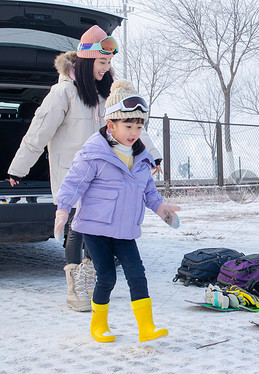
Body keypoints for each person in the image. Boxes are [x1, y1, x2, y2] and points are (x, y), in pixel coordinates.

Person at [6, 25, 162, 312]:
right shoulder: (62, 93)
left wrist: (153, 157)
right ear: (87, 61)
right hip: (74, 174)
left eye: (109, 63)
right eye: (102, 62)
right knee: (77, 228)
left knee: (98, 230)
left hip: (105, 176)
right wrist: (19, 169)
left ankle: (93, 279)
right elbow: (38, 132)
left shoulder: (106, 96)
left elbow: (130, 124)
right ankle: (75, 284)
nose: (106, 68)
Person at [54, 79, 179, 343]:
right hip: (94, 229)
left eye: (139, 126)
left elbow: (148, 191)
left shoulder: (142, 159)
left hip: (124, 229)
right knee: (107, 276)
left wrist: (161, 207)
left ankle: (146, 327)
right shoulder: (95, 154)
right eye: (128, 126)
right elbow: (73, 183)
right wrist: (63, 210)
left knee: (137, 274)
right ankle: (98, 325)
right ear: (111, 125)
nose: (134, 132)